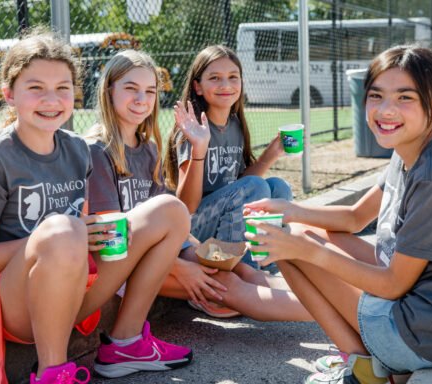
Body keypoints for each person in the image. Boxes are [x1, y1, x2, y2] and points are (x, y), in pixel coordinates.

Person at [0, 32, 192, 384]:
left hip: (76, 289)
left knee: (169, 210)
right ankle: (52, 372)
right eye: (36, 88)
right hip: (14, 308)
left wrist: (97, 233)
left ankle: (126, 341)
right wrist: (55, 239)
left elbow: (85, 229)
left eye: (63, 87)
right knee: (64, 231)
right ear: (9, 95)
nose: (51, 99)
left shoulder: (78, 149)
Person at [243, 45, 432, 384]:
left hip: (427, 333)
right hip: (425, 313)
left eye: (404, 98)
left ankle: (369, 370)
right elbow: (355, 218)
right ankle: (379, 367)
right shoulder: (410, 150)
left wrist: (305, 250)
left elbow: (393, 283)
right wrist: (291, 209)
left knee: (293, 246)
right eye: (376, 95)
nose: (386, 110)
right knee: (301, 233)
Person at [86, 49, 313, 323]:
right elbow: (111, 243)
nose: (141, 99)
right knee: (230, 284)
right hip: (128, 265)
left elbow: (171, 225)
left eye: (150, 91)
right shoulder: (98, 152)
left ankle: (342, 302)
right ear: (108, 90)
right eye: (130, 89)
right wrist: (179, 267)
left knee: (245, 273)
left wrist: (200, 255)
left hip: (165, 252)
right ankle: (343, 313)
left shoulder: (148, 150)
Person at [163, 45, 293, 270]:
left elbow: (243, 184)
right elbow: (187, 206)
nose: (226, 85)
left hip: (224, 216)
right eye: (214, 78)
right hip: (191, 226)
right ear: (198, 87)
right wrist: (199, 149)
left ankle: (270, 265)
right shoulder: (191, 128)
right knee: (255, 186)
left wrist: (272, 153)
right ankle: (235, 272)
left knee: (278, 188)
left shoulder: (234, 124)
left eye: (233, 77)